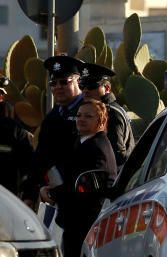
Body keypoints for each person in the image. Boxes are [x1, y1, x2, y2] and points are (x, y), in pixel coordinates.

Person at [40, 98, 117, 257]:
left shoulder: (97, 147)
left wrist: (52, 194)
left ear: (101, 121)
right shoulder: (83, 142)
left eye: (88, 116)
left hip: (85, 223)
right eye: (79, 115)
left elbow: (86, 187)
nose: (81, 119)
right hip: (75, 221)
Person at [27, 55, 87, 208]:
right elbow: (41, 157)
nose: (58, 87)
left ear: (78, 81)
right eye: (53, 83)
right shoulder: (52, 117)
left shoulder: (91, 111)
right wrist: (30, 194)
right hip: (55, 196)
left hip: (85, 195)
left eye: (64, 82)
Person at [80, 62, 134, 167]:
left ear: (107, 88)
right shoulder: (97, 109)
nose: (85, 90)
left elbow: (117, 156)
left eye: (92, 85)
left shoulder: (110, 113)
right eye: (82, 85)